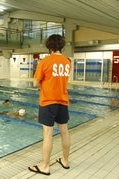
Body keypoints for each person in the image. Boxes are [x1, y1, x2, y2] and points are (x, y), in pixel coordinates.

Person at [28, 34, 71, 175]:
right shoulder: (67, 61)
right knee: (65, 132)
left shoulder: (45, 61)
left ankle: (45, 166)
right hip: (63, 101)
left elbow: (35, 83)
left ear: (49, 46)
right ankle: (65, 161)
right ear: (61, 46)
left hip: (48, 101)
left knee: (48, 134)